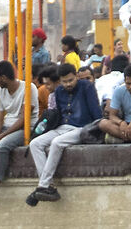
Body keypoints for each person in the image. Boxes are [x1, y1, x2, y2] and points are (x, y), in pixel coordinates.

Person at [25, 60, 103, 203]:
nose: (68, 84)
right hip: (62, 128)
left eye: (71, 80)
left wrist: (97, 130)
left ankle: (43, 185)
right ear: (60, 81)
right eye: (64, 81)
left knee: (56, 143)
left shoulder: (86, 86)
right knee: (35, 144)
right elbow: (59, 116)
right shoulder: (59, 91)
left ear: (76, 76)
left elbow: (96, 113)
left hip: (82, 128)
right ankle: (48, 185)